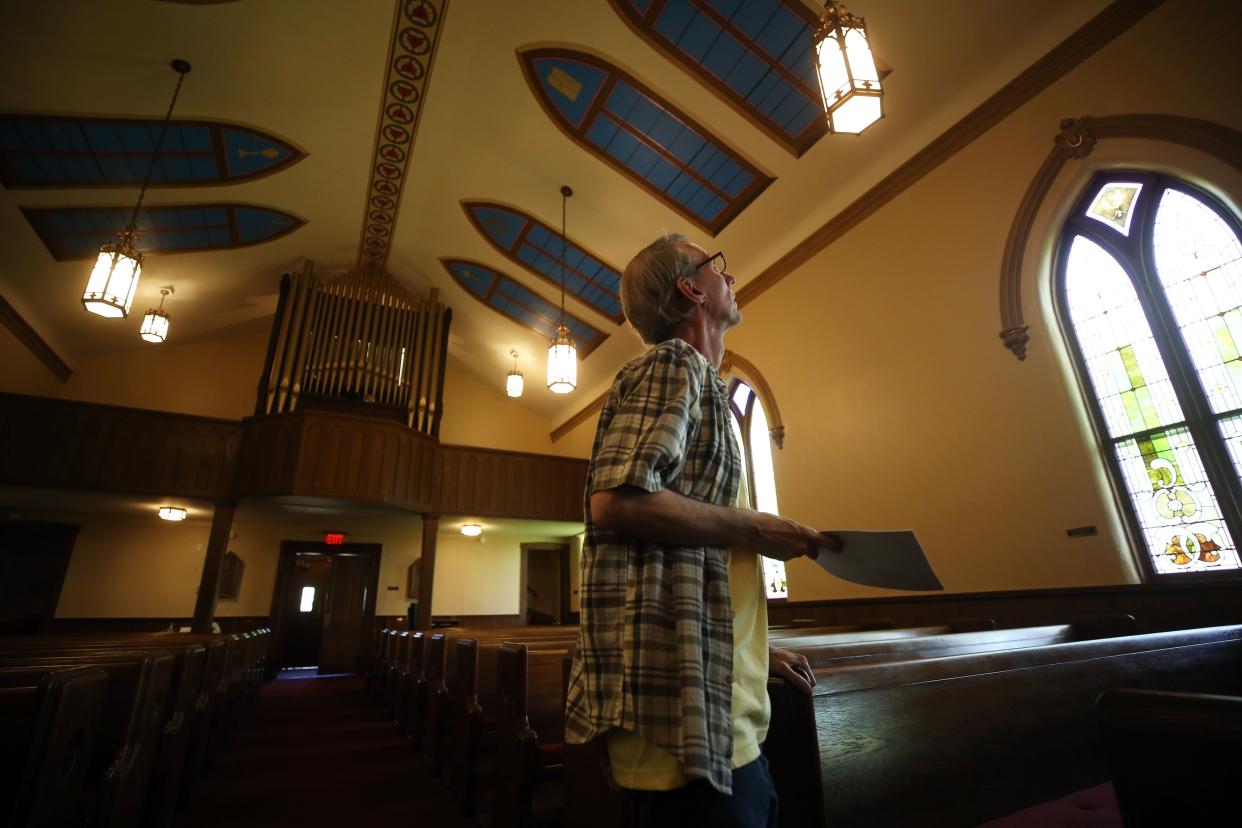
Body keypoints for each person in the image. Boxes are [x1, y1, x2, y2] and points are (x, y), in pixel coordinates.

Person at [564, 234, 833, 827]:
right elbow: (615, 502)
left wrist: (755, 655)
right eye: (720, 268)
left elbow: (697, 569)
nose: (730, 277)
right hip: (688, 735)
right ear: (691, 288)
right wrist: (758, 528)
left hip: (718, 702)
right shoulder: (672, 365)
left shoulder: (707, 386)